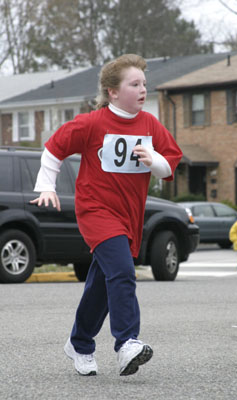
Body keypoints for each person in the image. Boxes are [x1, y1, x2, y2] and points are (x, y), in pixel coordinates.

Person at [30, 54, 183, 376]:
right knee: (124, 273)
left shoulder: (151, 125)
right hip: (96, 211)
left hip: (130, 216)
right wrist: (47, 186)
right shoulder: (92, 123)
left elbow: (169, 167)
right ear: (113, 92)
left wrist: (153, 159)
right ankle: (127, 342)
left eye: (144, 84)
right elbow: (54, 148)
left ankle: (80, 343)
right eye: (134, 84)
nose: (143, 90)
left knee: (102, 284)